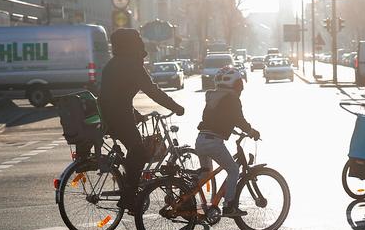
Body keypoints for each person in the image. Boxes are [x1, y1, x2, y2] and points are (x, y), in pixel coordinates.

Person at [96, 27, 185, 213]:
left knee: (133, 152)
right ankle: (129, 197)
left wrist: (136, 114)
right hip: (119, 116)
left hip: (109, 114)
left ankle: (127, 185)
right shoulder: (132, 64)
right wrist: (175, 107)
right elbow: (152, 91)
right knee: (139, 153)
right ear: (132, 44)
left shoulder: (113, 63)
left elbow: (117, 93)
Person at [192, 66, 259, 218]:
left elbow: (214, 118)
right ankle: (229, 206)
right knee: (233, 170)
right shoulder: (232, 99)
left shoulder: (213, 96)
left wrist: (229, 128)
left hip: (201, 139)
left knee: (205, 174)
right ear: (235, 85)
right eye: (239, 84)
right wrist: (251, 132)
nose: (241, 87)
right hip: (214, 143)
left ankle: (186, 197)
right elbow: (239, 120)